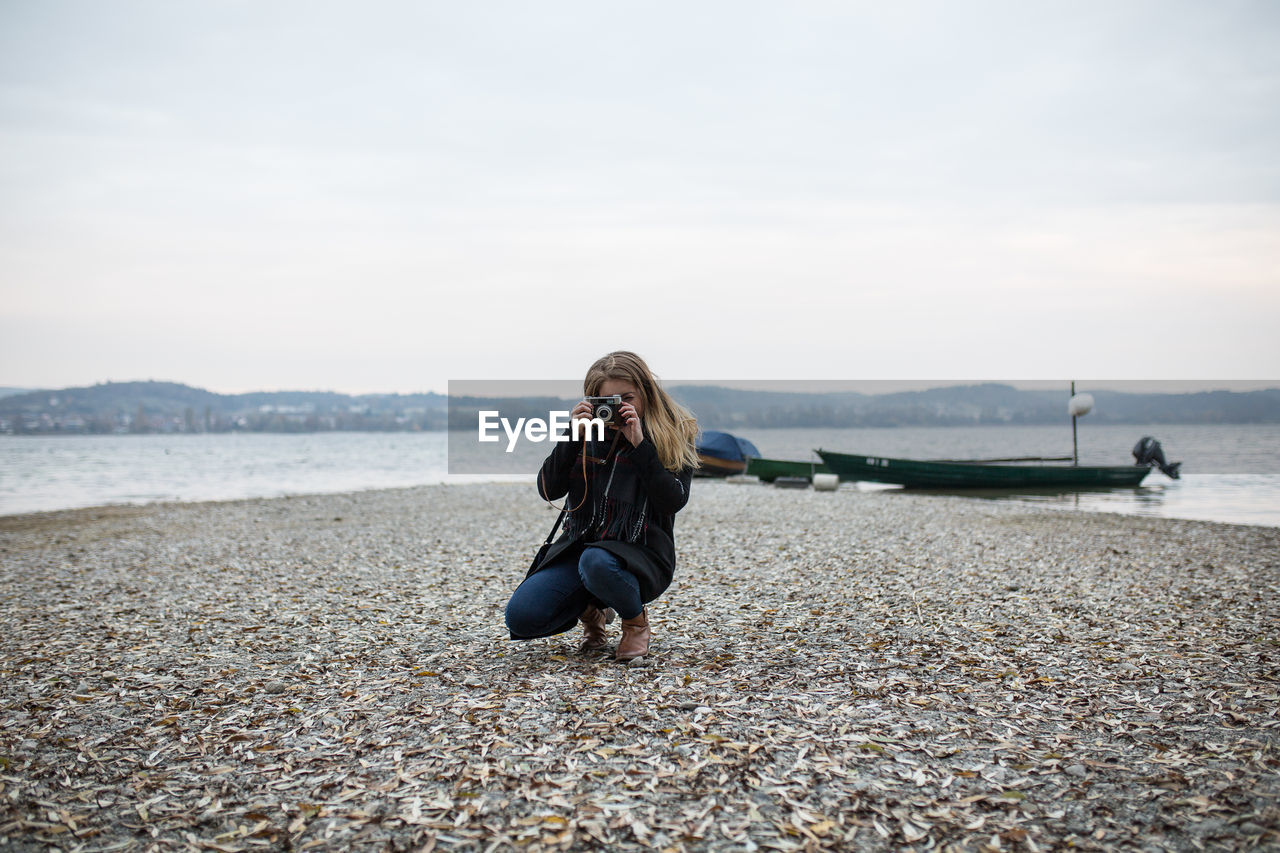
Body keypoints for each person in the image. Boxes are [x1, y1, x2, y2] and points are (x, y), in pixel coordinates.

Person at [504, 351, 699, 661]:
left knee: (597, 563)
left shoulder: (673, 432)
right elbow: (548, 489)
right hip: (582, 545)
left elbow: (672, 501)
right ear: (593, 401)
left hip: (640, 551)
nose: (619, 408)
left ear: (646, 393)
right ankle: (593, 611)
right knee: (523, 617)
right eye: (606, 402)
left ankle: (635, 623)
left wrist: (639, 445)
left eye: (628, 399)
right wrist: (572, 436)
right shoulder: (587, 433)